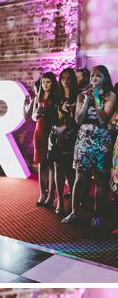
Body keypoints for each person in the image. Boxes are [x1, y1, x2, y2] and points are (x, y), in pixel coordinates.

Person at [64, 65, 115, 228]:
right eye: (92, 76)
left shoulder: (111, 95)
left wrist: (97, 99)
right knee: (80, 177)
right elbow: (78, 119)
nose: (94, 78)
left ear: (105, 78)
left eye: (98, 76)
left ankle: (98, 214)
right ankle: (74, 212)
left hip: (102, 141)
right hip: (84, 141)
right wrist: (87, 100)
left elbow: (102, 119)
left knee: (101, 179)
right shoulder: (81, 95)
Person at [24, 73, 60, 207]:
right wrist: (36, 114)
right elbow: (33, 117)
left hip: (51, 132)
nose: (45, 84)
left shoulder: (56, 97)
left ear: (53, 83)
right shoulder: (38, 96)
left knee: (51, 164)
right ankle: (42, 194)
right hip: (39, 132)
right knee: (41, 164)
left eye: (48, 82)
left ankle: (51, 194)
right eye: (44, 82)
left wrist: (49, 110)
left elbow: (58, 117)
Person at [49, 68, 79, 216]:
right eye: (63, 78)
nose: (66, 81)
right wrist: (56, 128)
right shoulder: (57, 97)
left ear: (73, 80)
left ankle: (73, 204)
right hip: (57, 138)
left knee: (71, 172)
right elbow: (52, 117)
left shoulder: (77, 96)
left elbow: (78, 120)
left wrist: (66, 128)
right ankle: (60, 201)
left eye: (68, 78)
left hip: (72, 138)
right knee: (58, 169)